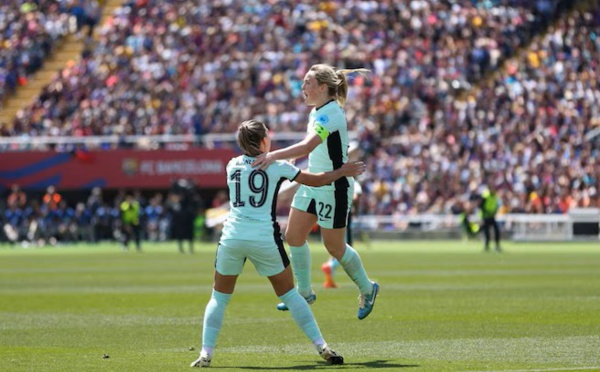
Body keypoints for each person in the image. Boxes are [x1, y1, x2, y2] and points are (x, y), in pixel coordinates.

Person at [190, 120, 365, 368]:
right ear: (263, 141)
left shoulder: (232, 165)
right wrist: (340, 172)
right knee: (292, 295)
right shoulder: (278, 166)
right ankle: (322, 346)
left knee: (219, 297)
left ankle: (206, 353)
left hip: (232, 237)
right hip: (263, 238)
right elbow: (314, 181)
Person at [252, 64, 379, 320]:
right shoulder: (319, 111)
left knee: (334, 247)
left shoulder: (330, 114)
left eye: (307, 82)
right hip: (314, 182)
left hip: (334, 186)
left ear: (322, 87)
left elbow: (308, 146)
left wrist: (272, 155)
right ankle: (304, 292)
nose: (302, 87)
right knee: (294, 235)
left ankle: (368, 288)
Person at [321, 179, 362, 288]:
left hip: (332, 212)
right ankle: (330, 265)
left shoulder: (336, 180)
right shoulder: (354, 183)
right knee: (346, 248)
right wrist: (356, 211)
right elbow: (356, 198)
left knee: (335, 247)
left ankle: (330, 280)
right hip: (345, 215)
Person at [480, 183, 502, 252]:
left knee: (496, 231)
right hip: (486, 216)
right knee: (487, 232)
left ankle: (497, 245)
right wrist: (486, 213)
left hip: (492, 216)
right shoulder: (486, 196)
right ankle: (487, 246)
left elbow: (496, 205)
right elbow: (481, 206)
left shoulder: (495, 196)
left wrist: (494, 211)